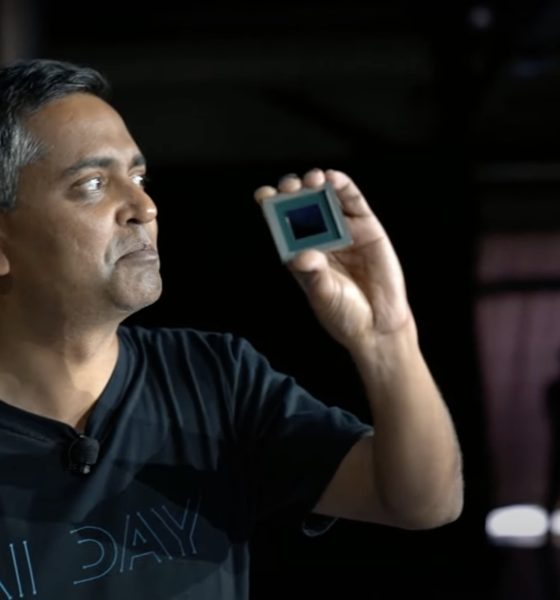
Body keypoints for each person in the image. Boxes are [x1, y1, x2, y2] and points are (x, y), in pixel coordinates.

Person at [0, 58, 463, 599]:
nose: (145, 207)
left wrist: (387, 337)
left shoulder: (212, 375)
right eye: (93, 184)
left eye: (140, 177)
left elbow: (423, 503)